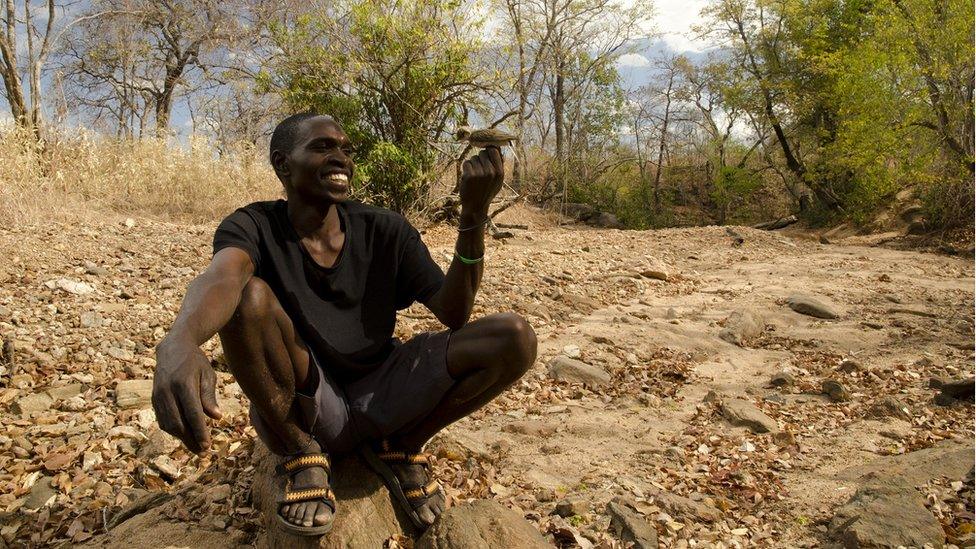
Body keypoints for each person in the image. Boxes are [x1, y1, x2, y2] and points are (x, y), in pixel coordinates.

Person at [151, 112, 537, 536]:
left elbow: (454, 312)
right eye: (322, 147)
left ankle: (403, 446)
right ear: (282, 163)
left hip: (385, 393)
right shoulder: (254, 225)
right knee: (249, 297)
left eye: (346, 149)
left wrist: (473, 213)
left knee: (513, 337)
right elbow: (222, 278)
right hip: (308, 403)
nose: (341, 158)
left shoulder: (384, 228)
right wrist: (180, 341)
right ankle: (302, 453)